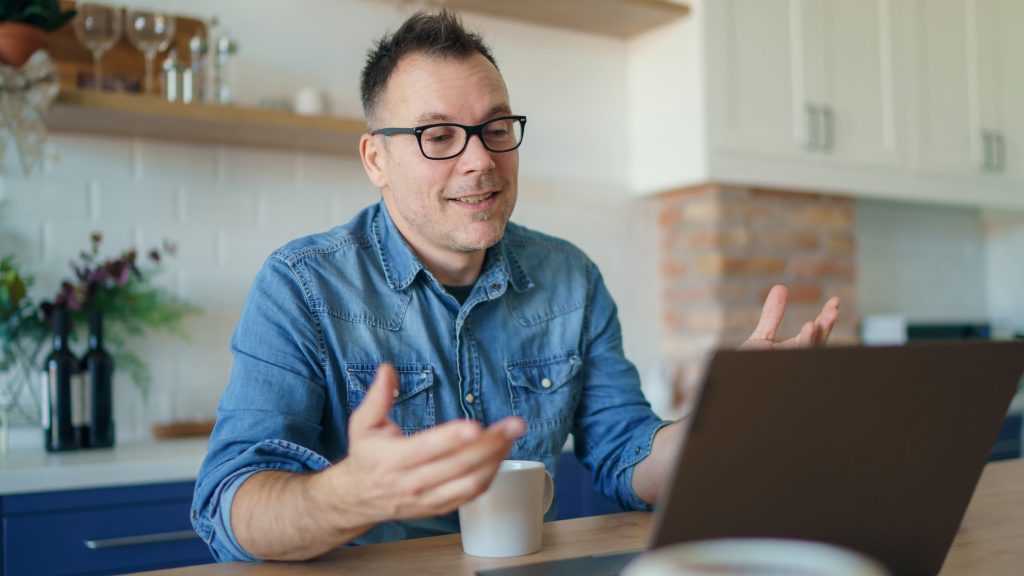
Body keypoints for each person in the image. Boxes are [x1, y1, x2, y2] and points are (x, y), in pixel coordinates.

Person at [190, 9, 840, 563]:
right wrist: (354, 494)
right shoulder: (302, 286)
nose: (480, 159)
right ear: (376, 160)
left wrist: (722, 425)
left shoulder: (570, 278)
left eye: (496, 129)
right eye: (438, 135)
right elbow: (229, 504)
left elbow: (624, 454)